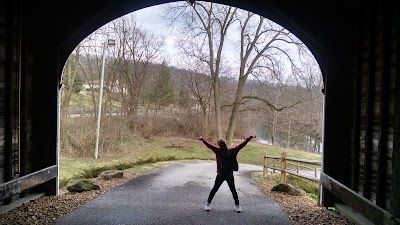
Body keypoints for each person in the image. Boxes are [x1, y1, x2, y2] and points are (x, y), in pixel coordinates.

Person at [199, 135, 256, 213]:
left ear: (226, 144)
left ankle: (238, 206)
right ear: (219, 145)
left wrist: (248, 139)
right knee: (215, 189)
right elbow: (209, 145)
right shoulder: (218, 151)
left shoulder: (232, 151)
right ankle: (207, 204)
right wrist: (203, 140)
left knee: (233, 190)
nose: (223, 145)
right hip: (220, 175)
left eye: (224, 143)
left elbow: (241, 145)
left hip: (229, 175)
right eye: (221, 144)